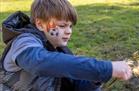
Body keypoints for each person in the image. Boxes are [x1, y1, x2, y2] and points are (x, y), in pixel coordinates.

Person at [0, 0, 132, 91]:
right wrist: (103, 68)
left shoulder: (61, 51)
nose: (69, 31)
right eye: (62, 26)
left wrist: (96, 77)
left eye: (70, 26)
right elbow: (40, 63)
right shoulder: (23, 42)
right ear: (40, 24)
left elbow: (75, 86)